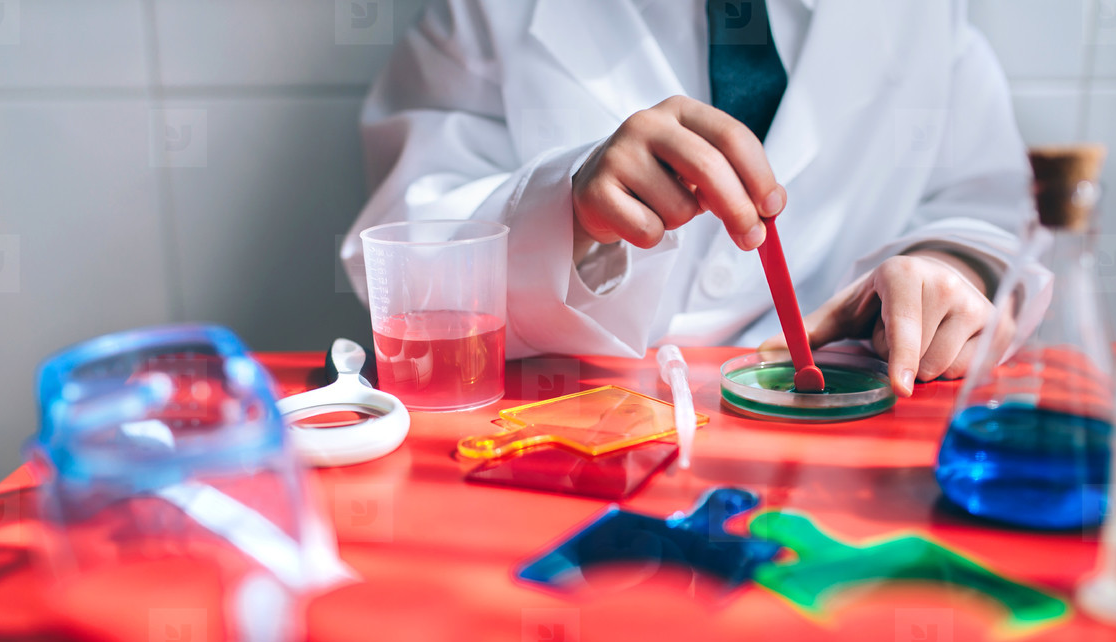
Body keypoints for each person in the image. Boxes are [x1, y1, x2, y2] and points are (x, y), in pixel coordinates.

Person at [340, 0, 1032, 397]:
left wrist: (950, 272)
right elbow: (400, 266)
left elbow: (984, 210)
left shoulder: (922, 19)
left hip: (840, 457)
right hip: (571, 444)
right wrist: (565, 211)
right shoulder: (487, 15)